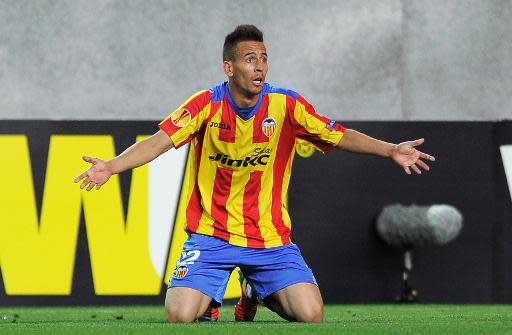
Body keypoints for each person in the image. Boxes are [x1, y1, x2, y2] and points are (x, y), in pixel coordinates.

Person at [74, 24, 435, 323]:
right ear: (229, 68)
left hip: (270, 241)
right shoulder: (206, 105)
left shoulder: (286, 105)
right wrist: (111, 166)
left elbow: (338, 135)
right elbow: (158, 142)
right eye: (250, 59)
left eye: (264, 58)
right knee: (179, 318)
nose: (260, 67)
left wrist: (390, 150)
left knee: (312, 317)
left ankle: (253, 291)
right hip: (211, 237)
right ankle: (211, 301)